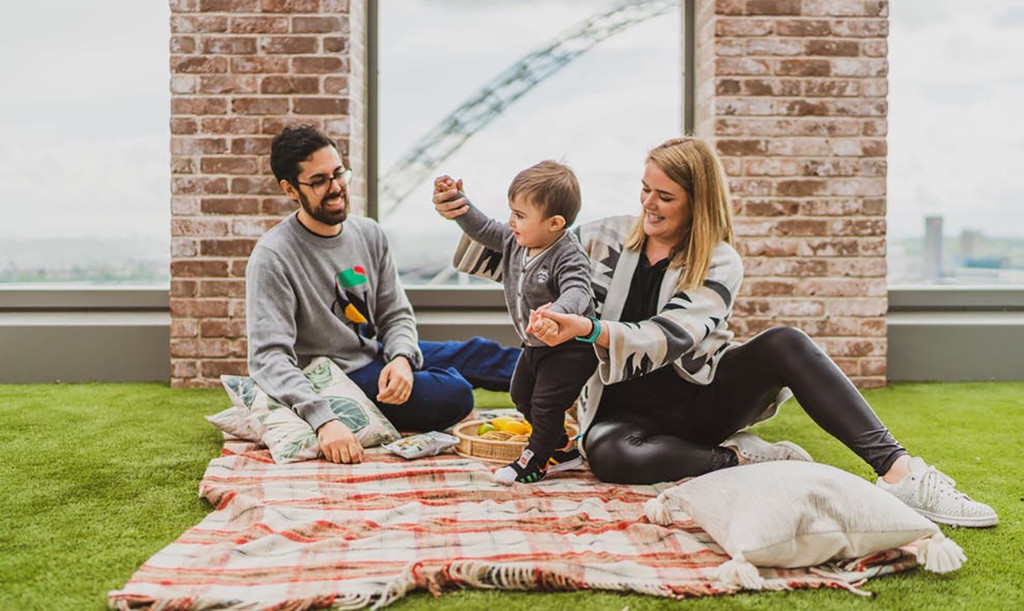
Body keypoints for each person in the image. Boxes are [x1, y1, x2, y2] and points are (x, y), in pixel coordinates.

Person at [435, 137, 998, 528]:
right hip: (621, 410)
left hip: (700, 397)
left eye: (664, 195)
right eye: (644, 189)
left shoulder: (720, 261)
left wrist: (585, 327)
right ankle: (742, 461)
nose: (647, 204)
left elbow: (671, 335)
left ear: (696, 201)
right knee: (608, 456)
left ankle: (901, 473)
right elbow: (521, 256)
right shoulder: (601, 237)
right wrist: (463, 213)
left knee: (785, 341)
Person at [245, 125, 520, 464]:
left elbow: (395, 314)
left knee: (480, 353)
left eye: (338, 174)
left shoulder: (369, 232)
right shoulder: (273, 256)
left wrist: (402, 358)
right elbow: (267, 358)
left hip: (376, 353)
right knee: (455, 394)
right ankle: (425, 383)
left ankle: (573, 386)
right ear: (290, 189)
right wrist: (324, 420)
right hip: (337, 375)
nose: (335, 188)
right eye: (319, 181)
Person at [433, 161, 597, 484]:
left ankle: (535, 460)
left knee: (546, 403)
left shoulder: (567, 254)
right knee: (521, 394)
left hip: (570, 347)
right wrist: (459, 202)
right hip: (534, 344)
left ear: (555, 223)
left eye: (520, 215)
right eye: (512, 212)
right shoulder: (514, 240)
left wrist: (557, 314)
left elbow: (578, 289)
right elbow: (482, 228)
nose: (511, 221)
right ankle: (562, 448)